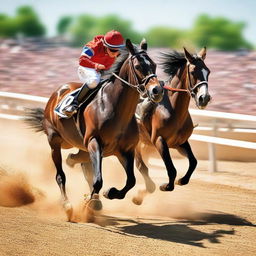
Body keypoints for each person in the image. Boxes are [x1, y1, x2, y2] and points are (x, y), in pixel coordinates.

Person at [55, 30, 125, 118]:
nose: (115, 54)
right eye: (112, 50)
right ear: (105, 45)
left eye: (117, 50)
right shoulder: (93, 46)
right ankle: (73, 102)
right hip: (86, 68)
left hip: (101, 71)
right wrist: (96, 65)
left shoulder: (117, 52)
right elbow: (82, 60)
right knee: (94, 81)